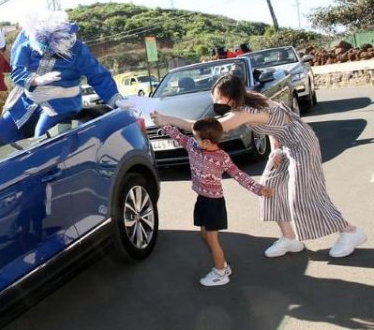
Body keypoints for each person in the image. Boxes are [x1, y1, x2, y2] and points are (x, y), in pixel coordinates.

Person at [151, 74, 367, 258]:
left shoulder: (245, 111)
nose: (213, 99)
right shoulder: (251, 100)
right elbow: (277, 126)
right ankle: (289, 238)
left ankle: (350, 232)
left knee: (303, 194)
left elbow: (202, 127)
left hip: (302, 144)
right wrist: (275, 149)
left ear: (229, 97)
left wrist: (166, 119)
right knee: (269, 188)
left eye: (217, 96)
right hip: (285, 145)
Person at [157, 117, 272, 286]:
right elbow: (178, 136)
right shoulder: (193, 146)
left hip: (214, 203)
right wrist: (163, 124)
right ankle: (223, 265)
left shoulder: (222, 157)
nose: (192, 139)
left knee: (211, 238)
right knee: (203, 234)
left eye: (195, 137)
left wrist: (258, 189)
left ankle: (220, 272)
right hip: (202, 199)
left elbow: (239, 175)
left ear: (206, 141)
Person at [0, 10, 122, 142]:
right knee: (1, 134)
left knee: (42, 139)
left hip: (61, 103)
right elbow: (17, 71)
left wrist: (116, 99)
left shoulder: (78, 49)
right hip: (27, 101)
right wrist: (36, 80)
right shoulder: (27, 45)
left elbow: (98, 75)